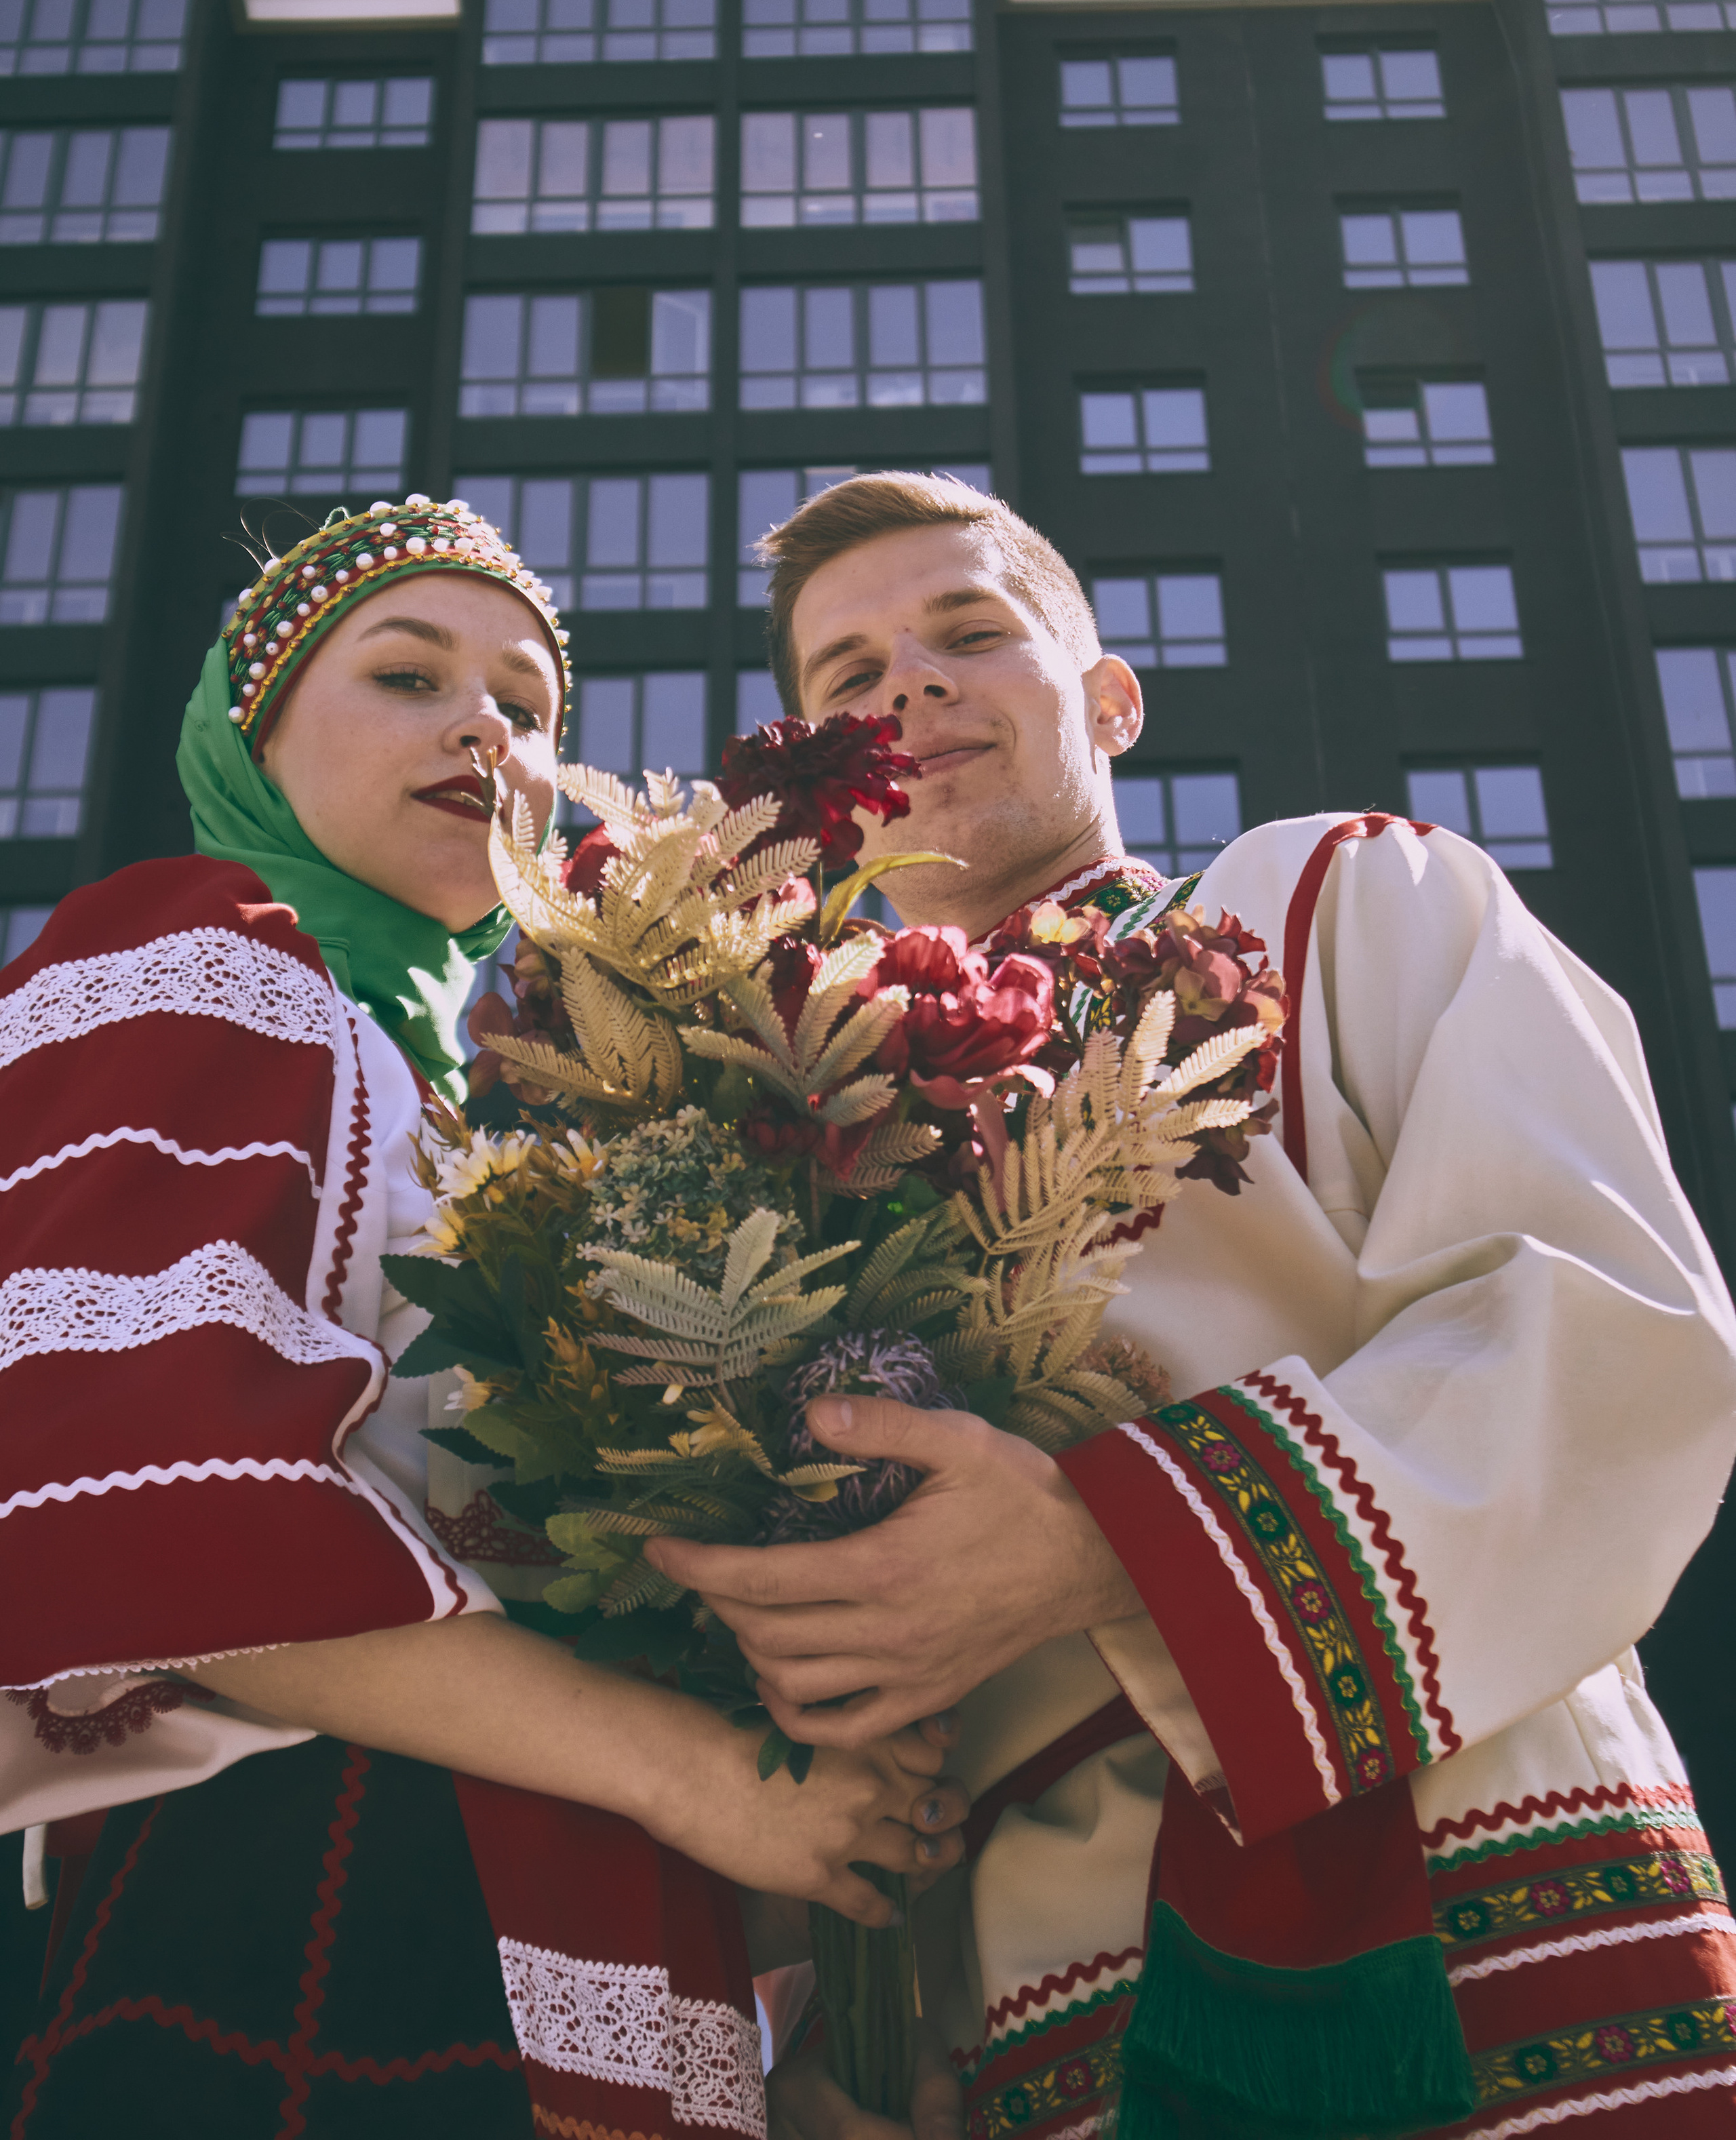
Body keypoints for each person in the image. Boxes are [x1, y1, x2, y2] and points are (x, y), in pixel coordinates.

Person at [650, 473, 1736, 2140]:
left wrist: (1119, 1538)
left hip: (1478, 1887)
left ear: (1108, 700)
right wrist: (832, 2008)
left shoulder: (1337, 900)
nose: (907, 689)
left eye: (967, 633)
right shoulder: (779, 1156)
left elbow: (1608, 1327)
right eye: (845, 677)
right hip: (1027, 1995)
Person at [0, 495, 969, 2140]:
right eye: (406, 674)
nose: (482, 728)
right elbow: (140, 1504)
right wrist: (687, 1772)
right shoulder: (203, 952)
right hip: (308, 1903)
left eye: (526, 710)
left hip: (557, 1912)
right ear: (253, 734)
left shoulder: (500, 1098)